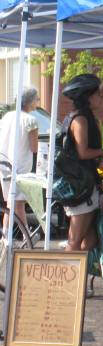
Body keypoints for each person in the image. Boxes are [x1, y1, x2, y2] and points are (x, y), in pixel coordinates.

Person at [61, 74, 103, 254]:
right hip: (82, 188)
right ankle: (66, 281)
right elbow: (83, 152)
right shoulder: (80, 119)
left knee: (90, 242)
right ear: (86, 96)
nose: (102, 97)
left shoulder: (79, 116)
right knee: (75, 242)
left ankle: (77, 280)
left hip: (83, 184)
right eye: (98, 93)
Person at [0, 85, 39, 244]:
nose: (37, 102)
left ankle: (22, 235)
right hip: (21, 164)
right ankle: (13, 237)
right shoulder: (31, 120)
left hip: (4, 161)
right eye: (37, 99)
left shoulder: (7, 116)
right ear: (30, 101)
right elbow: (35, 146)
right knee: (16, 202)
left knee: (14, 202)